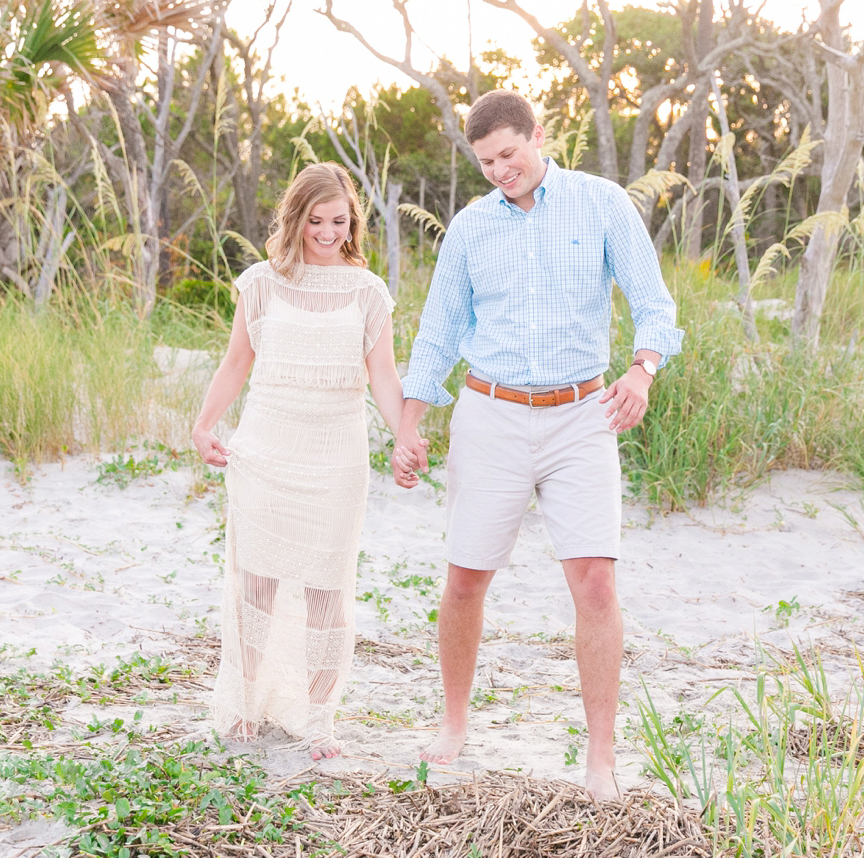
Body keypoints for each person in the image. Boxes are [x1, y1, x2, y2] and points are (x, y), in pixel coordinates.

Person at [392, 89, 683, 800]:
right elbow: (437, 333)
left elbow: (654, 305)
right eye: (486, 161)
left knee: (595, 582)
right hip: (489, 414)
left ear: (538, 135)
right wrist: (408, 423)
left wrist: (642, 372)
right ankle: (454, 725)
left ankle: (600, 761)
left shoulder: (602, 202)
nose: (499, 170)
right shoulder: (468, 229)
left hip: (581, 415)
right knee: (466, 578)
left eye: (509, 154)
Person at [192, 163, 414, 760]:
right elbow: (236, 362)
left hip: (336, 460)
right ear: (295, 218)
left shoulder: (368, 292)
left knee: (326, 589)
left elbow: (384, 377)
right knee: (256, 584)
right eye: (315, 220)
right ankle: (244, 704)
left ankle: (320, 719)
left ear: (352, 222)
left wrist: (405, 435)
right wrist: (205, 423)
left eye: (338, 221)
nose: (326, 232)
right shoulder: (261, 282)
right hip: (265, 451)